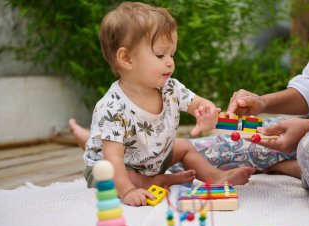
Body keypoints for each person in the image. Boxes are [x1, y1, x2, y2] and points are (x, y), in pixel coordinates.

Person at [83, 2, 255, 207]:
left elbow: (197, 103)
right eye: (160, 55)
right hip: (111, 169)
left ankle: (214, 175)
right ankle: (153, 181)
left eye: (171, 54)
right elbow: (114, 159)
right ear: (127, 58)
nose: (170, 62)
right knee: (117, 175)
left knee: (183, 145)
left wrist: (206, 112)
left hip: (153, 158)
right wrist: (128, 191)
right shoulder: (110, 108)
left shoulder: (170, 88)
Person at [226, 0, 309, 198]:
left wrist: (307, 128)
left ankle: (295, 167)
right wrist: (263, 102)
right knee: (224, 147)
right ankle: (301, 160)